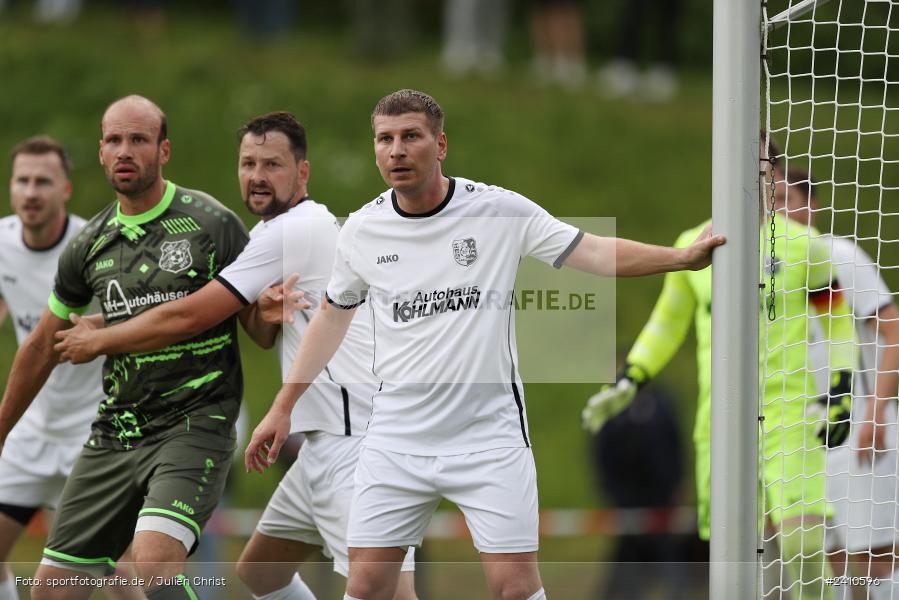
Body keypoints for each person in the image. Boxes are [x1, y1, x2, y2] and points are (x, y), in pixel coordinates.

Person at [244, 88, 724, 600]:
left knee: (515, 588)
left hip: (487, 439)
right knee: (365, 586)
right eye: (385, 139)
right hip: (395, 440)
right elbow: (330, 319)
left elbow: (596, 252)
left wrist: (681, 258)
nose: (397, 150)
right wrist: (283, 406)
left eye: (411, 136)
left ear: (441, 143)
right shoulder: (363, 229)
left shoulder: (498, 211)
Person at [53, 111, 419, 599]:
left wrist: (97, 339)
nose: (257, 177)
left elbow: (190, 315)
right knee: (261, 573)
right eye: (248, 164)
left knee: (389, 593)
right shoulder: (295, 229)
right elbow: (245, 324)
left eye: (273, 165)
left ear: (302, 173)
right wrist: (257, 308)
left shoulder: (285, 233)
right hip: (323, 444)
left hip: (359, 447)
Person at [0, 95, 266, 600]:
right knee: (52, 590)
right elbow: (40, 348)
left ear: (163, 151)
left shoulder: (211, 223)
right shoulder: (89, 244)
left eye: (139, 140)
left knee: (152, 563)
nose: (126, 151)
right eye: (115, 140)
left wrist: (268, 307)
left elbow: (251, 326)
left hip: (196, 421)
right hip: (117, 428)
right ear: (101, 152)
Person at [581, 139, 856, 599]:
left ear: (771, 174)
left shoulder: (804, 246)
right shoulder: (689, 248)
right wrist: (633, 376)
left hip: (788, 412)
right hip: (720, 421)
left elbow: (838, 320)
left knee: (803, 543)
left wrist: (842, 385)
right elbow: (667, 323)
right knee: (733, 559)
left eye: (760, 168)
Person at [0, 137, 141, 600]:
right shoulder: (2, 243)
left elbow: (141, 320)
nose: (31, 192)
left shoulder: (96, 247)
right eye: (22, 181)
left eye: (43, 181)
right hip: (31, 429)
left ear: (65, 189)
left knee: (122, 575)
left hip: (93, 429)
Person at [775, 167, 899, 597]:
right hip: (806, 437)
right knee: (827, 558)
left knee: (876, 554)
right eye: (771, 203)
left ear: (812, 207)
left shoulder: (841, 257)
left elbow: (893, 331)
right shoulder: (771, 271)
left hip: (861, 430)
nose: (778, 211)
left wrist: (877, 414)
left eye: (786, 200)